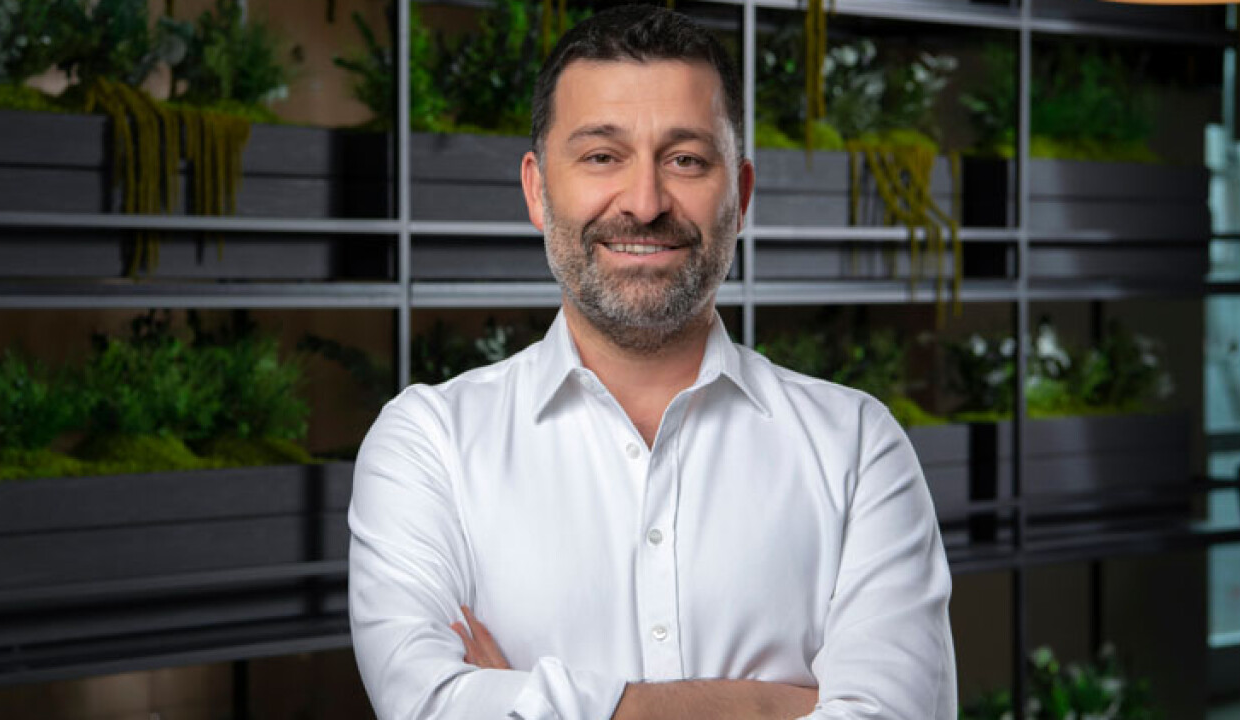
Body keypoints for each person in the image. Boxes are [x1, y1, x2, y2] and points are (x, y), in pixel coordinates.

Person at [348, 5, 956, 719]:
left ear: (741, 197)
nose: (643, 204)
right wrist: (776, 707)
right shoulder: (428, 446)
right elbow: (429, 706)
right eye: (602, 156)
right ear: (538, 190)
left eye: (686, 160)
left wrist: (541, 702)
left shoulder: (856, 446)